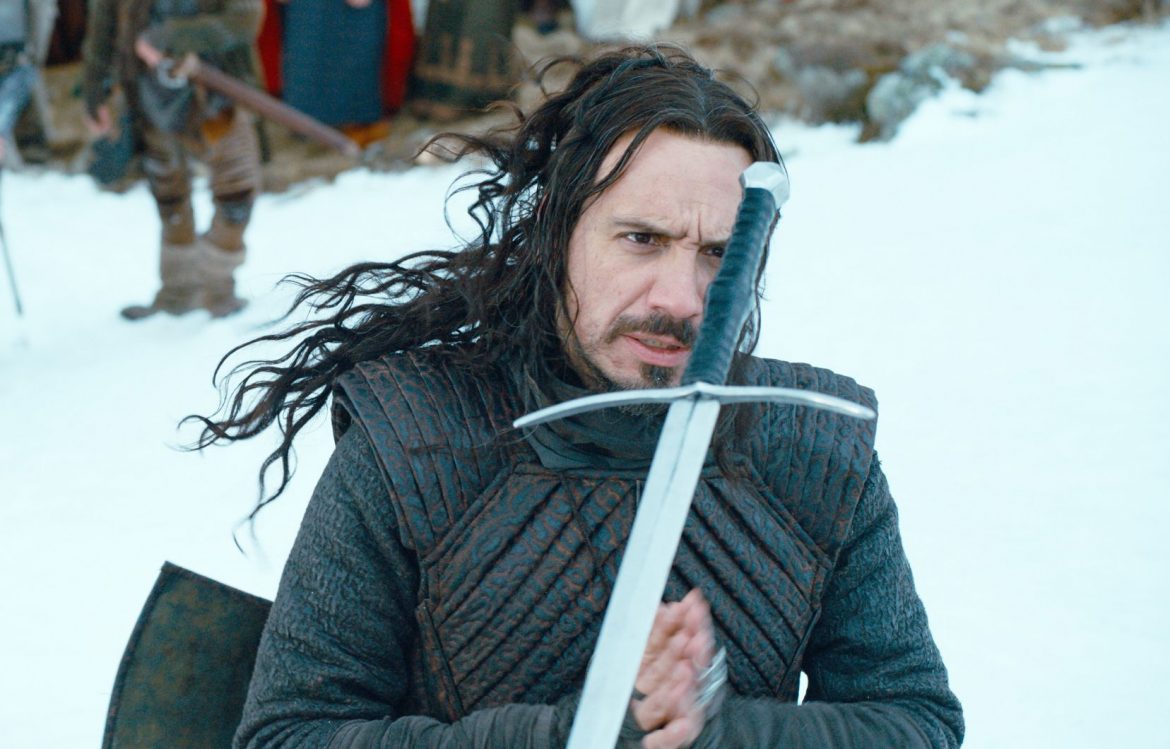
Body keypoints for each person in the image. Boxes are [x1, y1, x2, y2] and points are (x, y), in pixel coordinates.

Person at [201, 45, 964, 748]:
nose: (681, 298)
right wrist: (568, 735)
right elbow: (288, 735)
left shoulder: (816, 455)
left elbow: (916, 721)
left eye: (718, 254)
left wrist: (716, 731)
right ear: (558, 229)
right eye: (641, 239)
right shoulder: (413, 441)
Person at [82, 0, 263, 319]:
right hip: (149, 90)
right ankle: (179, 288)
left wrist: (171, 37)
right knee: (169, 194)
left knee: (237, 190)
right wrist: (94, 88)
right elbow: (104, 25)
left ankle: (217, 284)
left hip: (218, 87)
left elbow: (245, 17)